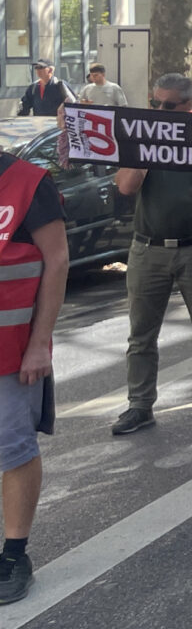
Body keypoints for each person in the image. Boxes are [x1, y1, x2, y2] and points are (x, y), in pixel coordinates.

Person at [110, 73, 192, 435]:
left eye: (169, 106)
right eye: (155, 103)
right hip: (148, 248)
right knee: (141, 335)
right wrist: (143, 153)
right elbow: (125, 186)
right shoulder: (142, 135)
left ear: (188, 106)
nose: (160, 110)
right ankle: (140, 406)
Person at [0, 138, 69, 606]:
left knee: (13, 449)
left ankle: (14, 554)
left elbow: (58, 260)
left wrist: (40, 344)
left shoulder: (27, 182)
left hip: (9, 352)